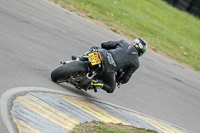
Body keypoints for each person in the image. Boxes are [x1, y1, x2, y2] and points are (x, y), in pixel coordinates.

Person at [73, 38, 147, 93]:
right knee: (111, 88)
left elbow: (104, 44)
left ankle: (80, 58)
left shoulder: (123, 42)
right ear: (141, 52)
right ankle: (92, 82)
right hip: (109, 70)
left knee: (95, 48)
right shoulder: (136, 63)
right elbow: (125, 78)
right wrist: (120, 80)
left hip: (102, 56)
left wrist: (112, 49)